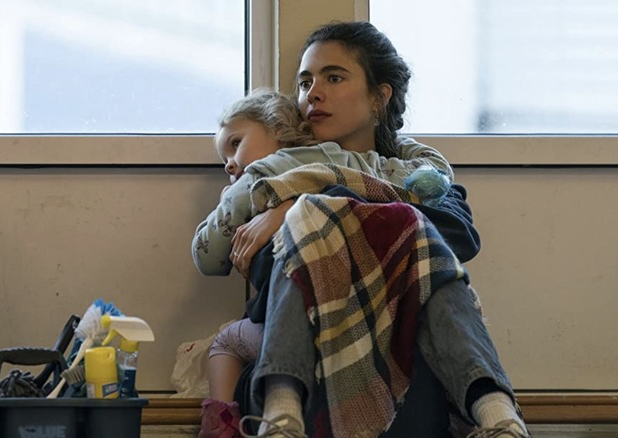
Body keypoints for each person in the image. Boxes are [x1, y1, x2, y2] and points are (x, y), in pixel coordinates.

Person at [221, 21, 531, 438]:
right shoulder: (278, 176)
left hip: (401, 364)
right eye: (305, 81)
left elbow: (458, 236)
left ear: (378, 98)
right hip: (302, 358)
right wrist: (295, 210)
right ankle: (280, 419)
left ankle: (498, 419)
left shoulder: (418, 174)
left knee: (415, 231)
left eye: (333, 77)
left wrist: (316, 204)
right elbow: (260, 271)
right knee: (383, 226)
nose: (313, 93)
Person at [194, 85, 456, 436]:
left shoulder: (258, 177)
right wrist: (398, 141)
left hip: (299, 333)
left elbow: (207, 255)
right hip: (377, 325)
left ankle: (222, 427)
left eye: (235, 143)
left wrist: (228, 201)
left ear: (275, 128)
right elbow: (431, 175)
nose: (229, 163)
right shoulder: (347, 160)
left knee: (225, 342)